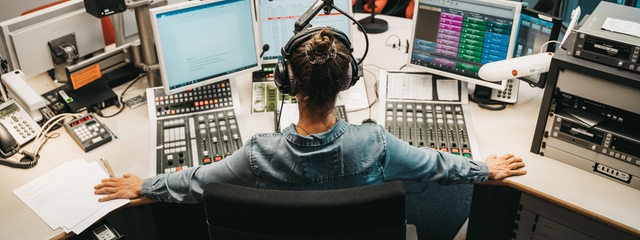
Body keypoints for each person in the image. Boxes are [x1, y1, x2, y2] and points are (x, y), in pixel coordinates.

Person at [94, 28, 526, 203]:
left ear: (286, 81)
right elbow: (435, 165)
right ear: (348, 81)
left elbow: (196, 181)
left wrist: (144, 186)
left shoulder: (257, 155)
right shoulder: (376, 146)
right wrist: (483, 169)